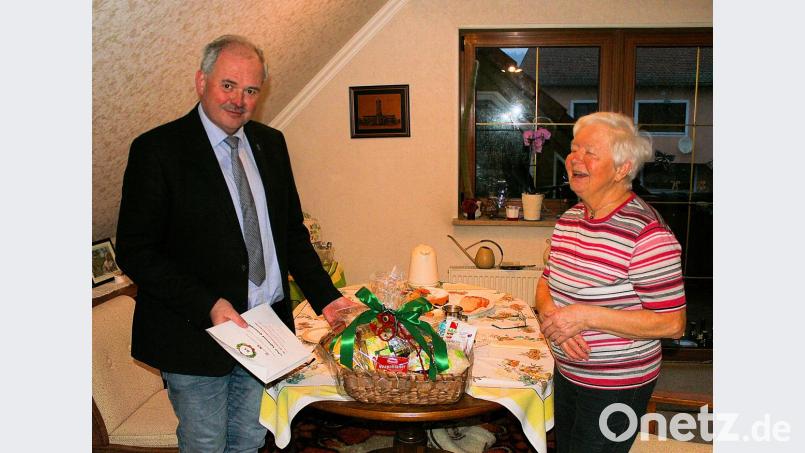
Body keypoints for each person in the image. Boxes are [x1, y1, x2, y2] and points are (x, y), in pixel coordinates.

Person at [115, 35, 358, 453]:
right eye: (228, 85)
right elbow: (136, 250)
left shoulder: (270, 143)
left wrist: (328, 299)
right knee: (206, 443)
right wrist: (208, 304)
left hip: (267, 331)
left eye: (250, 90)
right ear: (201, 81)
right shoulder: (158, 150)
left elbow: (290, 233)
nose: (239, 100)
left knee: (249, 439)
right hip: (194, 334)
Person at [535, 112, 686, 453]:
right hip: (568, 371)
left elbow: (673, 323)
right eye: (575, 149)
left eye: (591, 151)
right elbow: (546, 282)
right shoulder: (571, 219)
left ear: (621, 169)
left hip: (617, 384)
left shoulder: (647, 235)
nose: (576, 158)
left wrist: (585, 317)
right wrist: (550, 317)